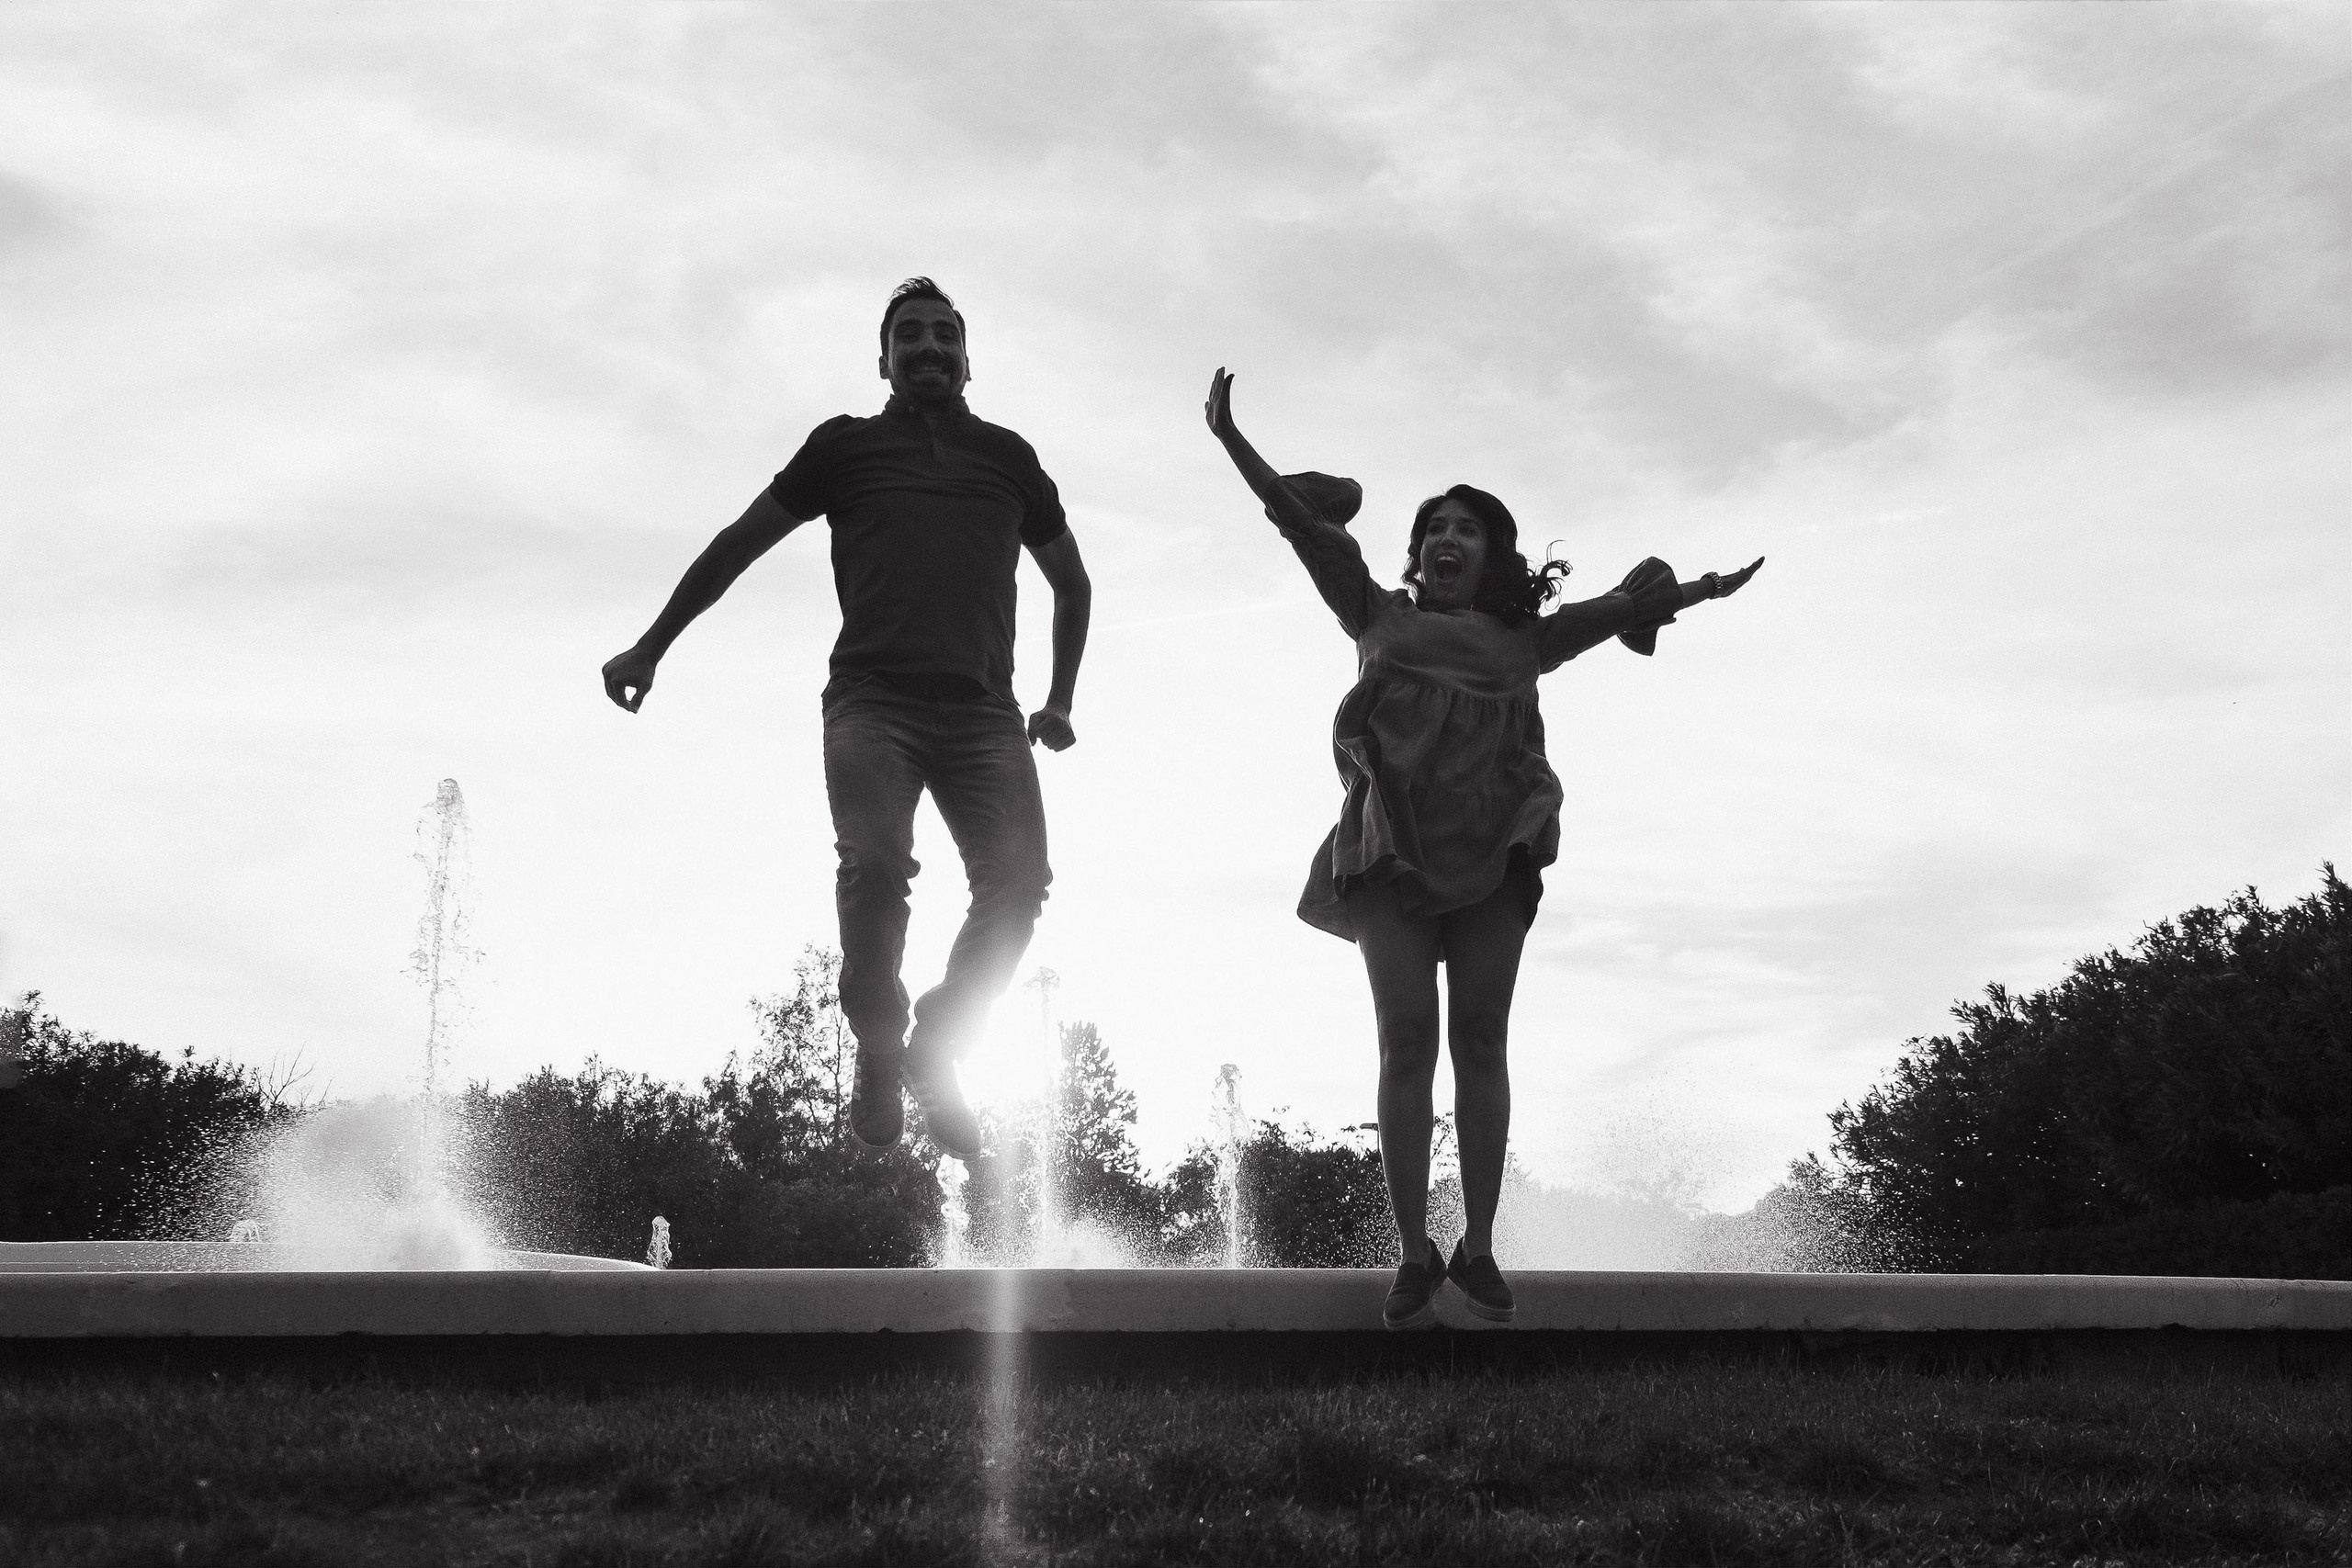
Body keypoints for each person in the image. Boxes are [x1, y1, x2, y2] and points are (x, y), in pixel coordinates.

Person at [1204, 367, 1759, 1329]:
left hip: (1493, 847)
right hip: (1388, 853)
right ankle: (1414, 1252)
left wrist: (1707, 588)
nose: (1447, 537)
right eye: (1434, 528)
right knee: (1406, 1040)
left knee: (1482, 1040)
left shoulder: (1522, 644)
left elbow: (1620, 612)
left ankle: (1480, 1246)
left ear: (1492, 553)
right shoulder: (1378, 616)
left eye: (1468, 527)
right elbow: (1298, 526)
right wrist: (1230, 438)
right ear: (1416, 554)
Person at [602, 279, 1091, 1161]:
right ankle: (878, 1040)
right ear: (884, 360)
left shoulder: (1010, 459)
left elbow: (1073, 582)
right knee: (874, 863)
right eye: (911, 336)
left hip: (983, 713)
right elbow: (736, 547)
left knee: (1020, 885)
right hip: (875, 704)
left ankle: (936, 1040)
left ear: (970, 359)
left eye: (947, 335)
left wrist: (1059, 698)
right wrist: (651, 645)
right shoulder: (846, 448)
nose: (931, 347)